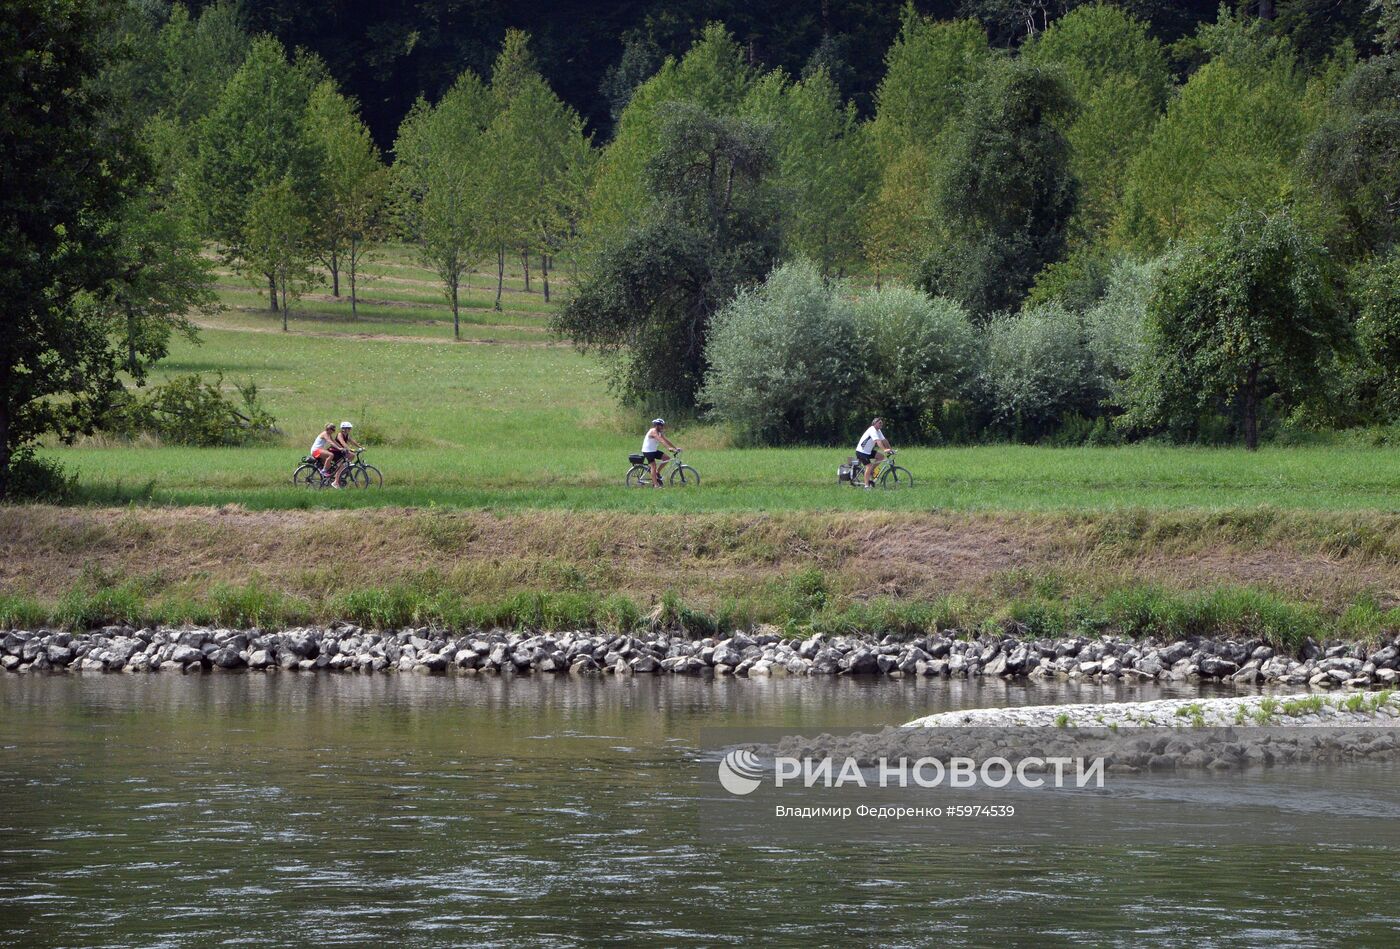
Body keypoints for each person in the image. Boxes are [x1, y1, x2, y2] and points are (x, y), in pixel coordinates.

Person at [641, 418, 679, 488]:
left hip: (653, 450)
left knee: (667, 458)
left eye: (663, 425)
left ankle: (657, 472)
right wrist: (668, 448)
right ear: (657, 425)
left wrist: (675, 448)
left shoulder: (659, 432)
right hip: (648, 451)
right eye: (661, 425)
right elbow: (660, 440)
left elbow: (666, 440)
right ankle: (655, 485)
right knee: (653, 466)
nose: (662, 427)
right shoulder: (653, 431)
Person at [855, 417, 891, 488]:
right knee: (868, 466)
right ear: (875, 423)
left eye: (882, 423)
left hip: (868, 451)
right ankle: (866, 486)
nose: (881, 424)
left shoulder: (878, 430)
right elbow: (878, 441)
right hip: (861, 451)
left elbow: (884, 440)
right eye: (880, 423)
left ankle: (871, 471)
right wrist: (884, 449)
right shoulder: (872, 430)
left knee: (881, 457)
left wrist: (890, 449)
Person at [330, 421, 362, 487]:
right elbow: (343, 443)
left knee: (352, 455)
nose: (350, 430)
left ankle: (344, 467)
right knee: (341, 466)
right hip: (335, 452)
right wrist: (349, 449)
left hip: (341, 452)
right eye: (349, 428)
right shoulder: (340, 434)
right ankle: (335, 482)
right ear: (344, 429)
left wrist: (361, 447)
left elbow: (353, 441)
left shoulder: (346, 435)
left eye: (350, 428)